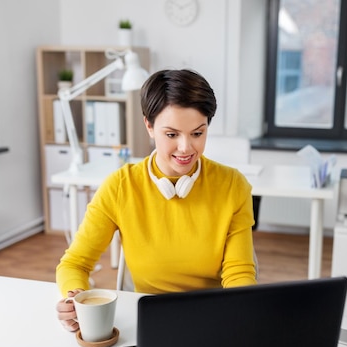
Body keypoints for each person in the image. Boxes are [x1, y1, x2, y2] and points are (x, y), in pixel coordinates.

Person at [56, 69, 257, 331]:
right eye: (172, 135)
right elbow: (75, 263)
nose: (186, 148)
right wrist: (74, 298)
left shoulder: (232, 185)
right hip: (149, 320)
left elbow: (239, 272)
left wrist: (244, 312)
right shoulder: (120, 187)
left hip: (213, 316)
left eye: (197, 133)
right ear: (149, 127)